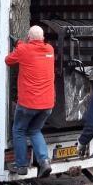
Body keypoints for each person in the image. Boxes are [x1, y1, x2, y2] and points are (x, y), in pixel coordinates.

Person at [5, 25, 55, 176]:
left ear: (29, 37)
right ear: (42, 38)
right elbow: (30, 50)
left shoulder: (23, 50)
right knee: (34, 130)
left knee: (19, 130)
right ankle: (44, 161)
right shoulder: (50, 50)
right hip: (47, 104)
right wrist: (20, 44)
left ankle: (21, 166)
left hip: (28, 103)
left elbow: (8, 60)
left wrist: (18, 45)